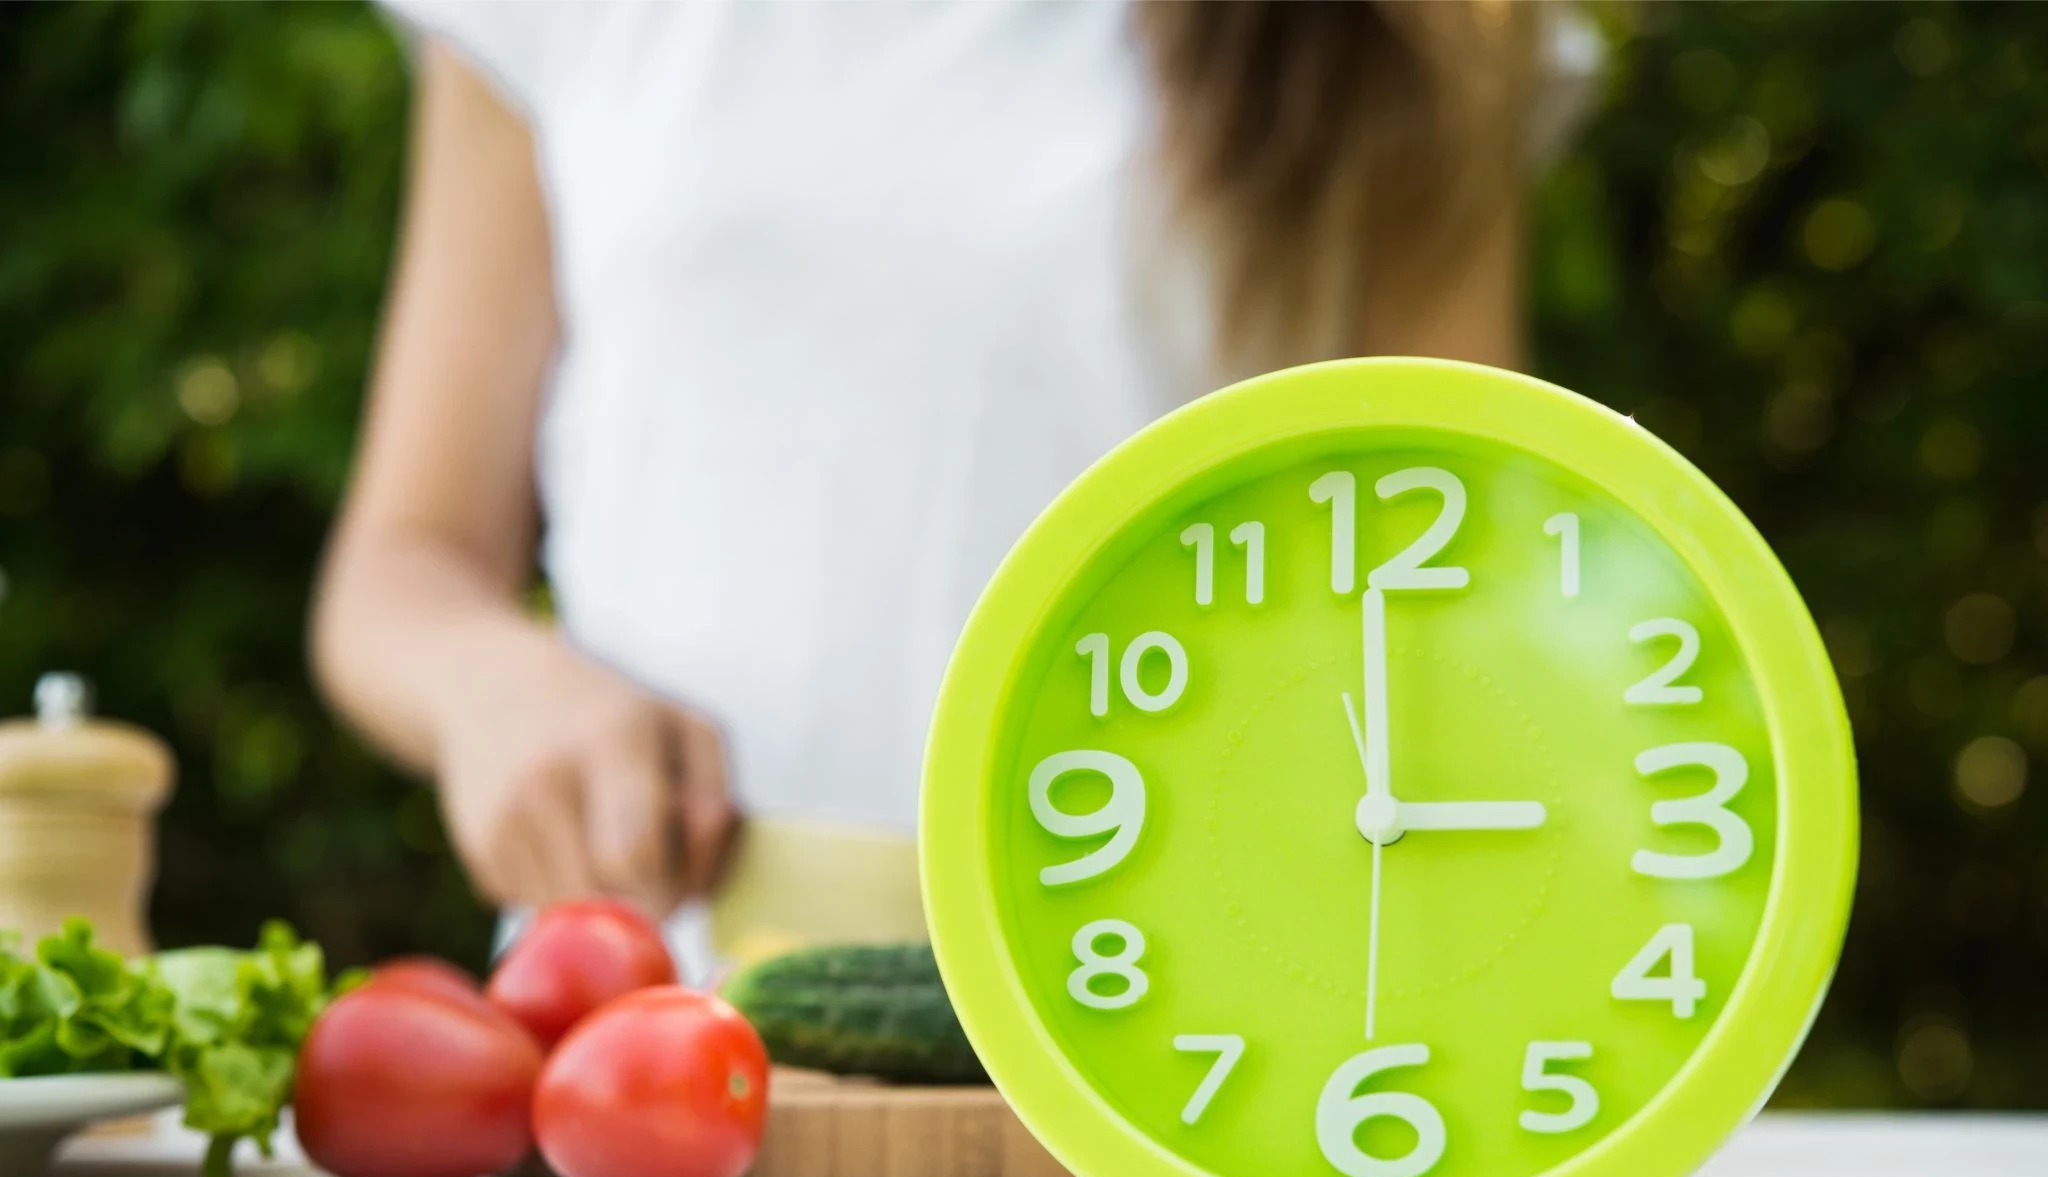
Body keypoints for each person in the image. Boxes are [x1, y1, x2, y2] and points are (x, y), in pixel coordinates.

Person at [311, 1, 1596, 929]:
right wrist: (495, 690)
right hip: (647, 1026)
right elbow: (402, 565)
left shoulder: (1406, 35)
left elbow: (1450, 586)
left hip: (1178, 1015)